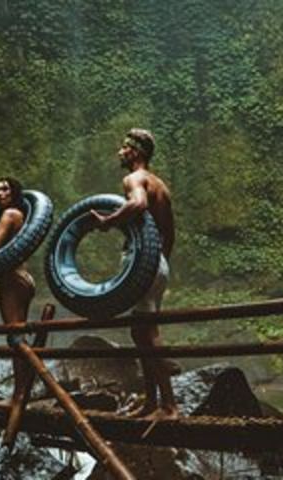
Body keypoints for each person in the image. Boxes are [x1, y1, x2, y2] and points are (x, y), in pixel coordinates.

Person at [91, 128, 179, 420]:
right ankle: (152, 402)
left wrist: (108, 221)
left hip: (145, 262)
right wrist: (158, 260)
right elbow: (170, 232)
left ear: (136, 153)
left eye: (124, 148)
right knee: (140, 329)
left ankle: (169, 406)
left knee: (148, 331)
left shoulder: (134, 179)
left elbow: (138, 204)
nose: (120, 152)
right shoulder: (161, 186)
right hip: (157, 263)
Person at [0, 177, 36, 409]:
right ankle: (24, 390)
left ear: (15, 192)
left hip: (11, 279)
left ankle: (18, 396)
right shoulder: (20, 216)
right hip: (24, 277)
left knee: (15, 337)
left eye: (5, 189)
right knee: (19, 336)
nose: (0, 193)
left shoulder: (9, 216)